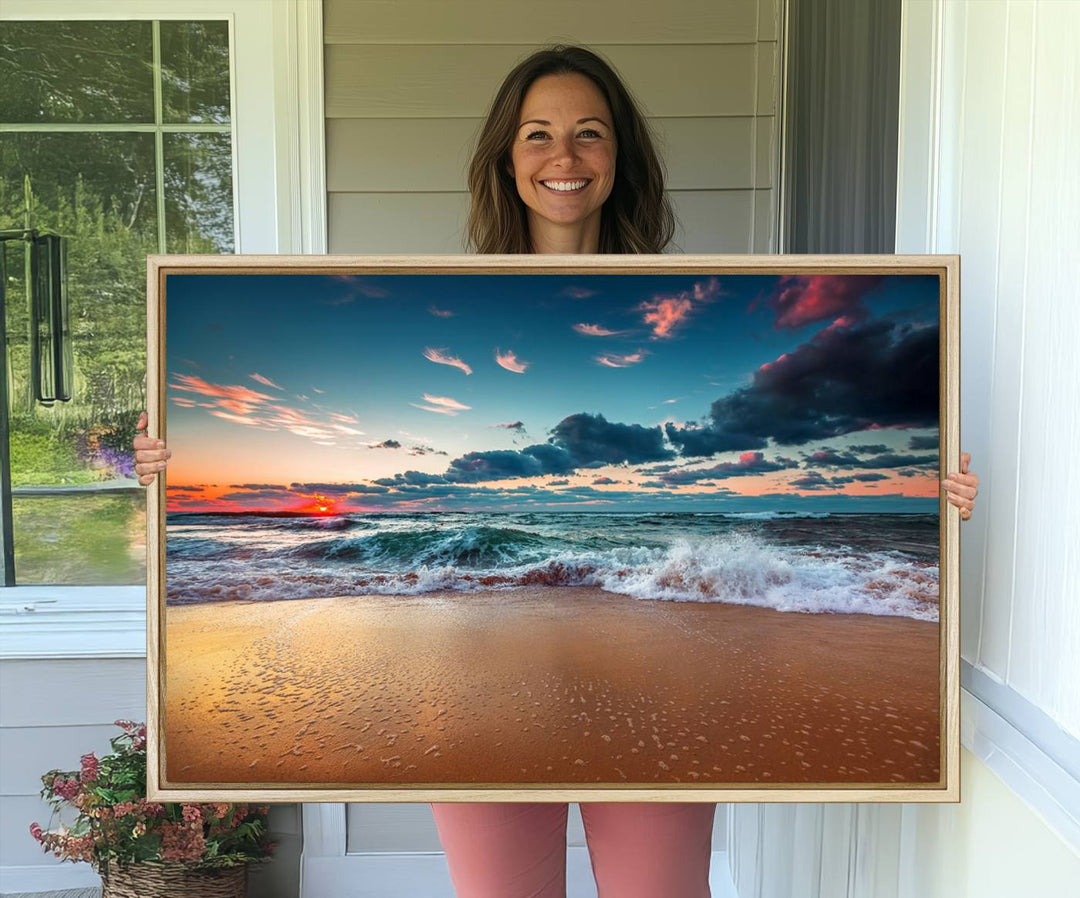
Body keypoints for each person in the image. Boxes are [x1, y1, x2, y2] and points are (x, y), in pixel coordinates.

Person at [134, 45, 980, 898]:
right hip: (474, 678)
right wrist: (165, 466)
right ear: (507, 157)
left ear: (620, 158)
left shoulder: (696, 294)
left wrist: (936, 495)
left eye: (589, 134)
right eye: (538, 134)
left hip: (661, 679)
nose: (564, 157)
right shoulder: (453, 300)